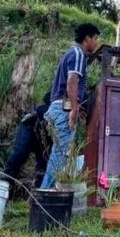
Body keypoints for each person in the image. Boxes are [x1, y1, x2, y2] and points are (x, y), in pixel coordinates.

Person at [41, 23, 100, 189]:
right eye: (95, 39)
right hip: (63, 109)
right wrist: (74, 108)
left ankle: (46, 193)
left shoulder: (69, 53)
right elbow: (72, 81)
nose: (96, 43)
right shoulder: (78, 54)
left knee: (57, 154)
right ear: (87, 38)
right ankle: (46, 195)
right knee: (61, 156)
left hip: (55, 108)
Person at [3, 92, 51, 192]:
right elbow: (46, 99)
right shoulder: (60, 89)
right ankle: (4, 191)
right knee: (18, 156)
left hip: (46, 133)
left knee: (44, 163)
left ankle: (38, 195)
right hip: (31, 125)